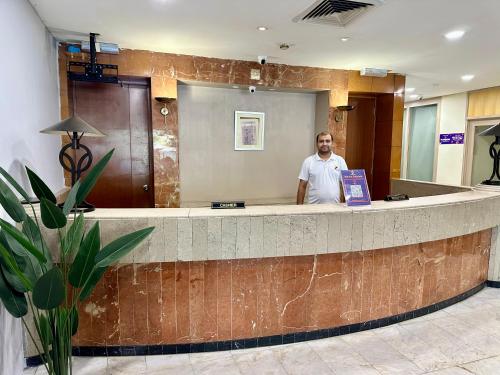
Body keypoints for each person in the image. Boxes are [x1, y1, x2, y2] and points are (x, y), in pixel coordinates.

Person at [296, 131, 348, 204]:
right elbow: (302, 186)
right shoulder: (308, 161)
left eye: (327, 141)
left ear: (332, 143)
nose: (324, 144)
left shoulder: (340, 160)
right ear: (317, 143)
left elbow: (346, 184)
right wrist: (298, 208)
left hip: (335, 207)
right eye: (321, 141)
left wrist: (346, 204)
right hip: (313, 208)